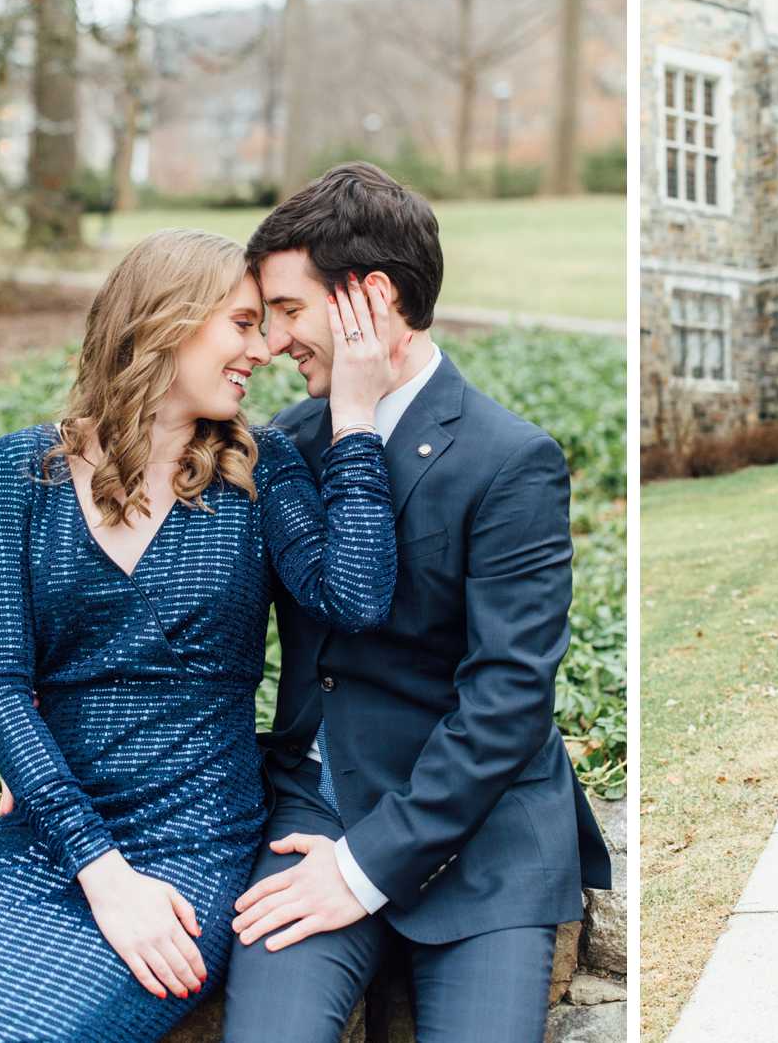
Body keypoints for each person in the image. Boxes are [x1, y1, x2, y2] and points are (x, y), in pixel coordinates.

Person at [0, 228, 402, 1041]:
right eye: (241, 323)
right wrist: (98, 868)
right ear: (168, 321)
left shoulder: (260, 469)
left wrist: (357, 419)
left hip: (188, 852)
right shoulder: (22, 472)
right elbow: (1, 690)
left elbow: (357, 597)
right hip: (48, 845)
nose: (263, 348)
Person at [219, 162, 612, 1043]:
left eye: (288, 310)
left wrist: (362, 870)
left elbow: (508, 700)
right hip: (316, 806)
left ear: (371, 299)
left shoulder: (511, 460)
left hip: (483, 835)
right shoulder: (286, 445)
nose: (275, 342)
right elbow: (206, 616)